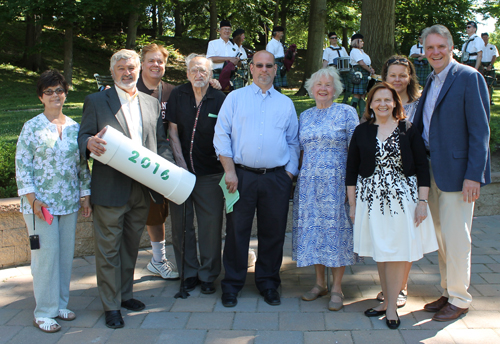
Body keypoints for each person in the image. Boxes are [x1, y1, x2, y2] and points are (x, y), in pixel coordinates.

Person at [78, 49, 175, 329]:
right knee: (108, 250)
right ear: (112, 72)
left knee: (131, 246)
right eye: (121, 68)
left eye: (131, 67)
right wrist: (87, 143)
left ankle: (126, 294)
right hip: (109, 188)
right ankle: (110, 305)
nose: (127, 72)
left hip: (141, 190)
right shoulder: (96, 101)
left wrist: (168, 172)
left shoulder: (151, 103)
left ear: (138, 69)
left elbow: (160, 142)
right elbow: (83, 135)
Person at [413, 24, 491, 322]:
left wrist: (475, 175)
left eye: (440, 47)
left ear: (451, 47)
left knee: (457, 238)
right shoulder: (431, 80)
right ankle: (448, 290)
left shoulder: (469, 77)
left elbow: (480, 132)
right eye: (429, 47)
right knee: (442, 236)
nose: (435, 52)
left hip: (459, 174)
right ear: (424, 50)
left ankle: (460, 298)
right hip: (431, 170)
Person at [346, 82, 438, 330]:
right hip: (371, 198)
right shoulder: (361, 131)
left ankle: (390, 307)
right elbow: (351, 169)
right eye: (378, 100)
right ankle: (387, 299)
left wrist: (422, 202)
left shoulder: (408, 129)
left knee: (398, 251)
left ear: (396, 103)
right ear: (370, 103)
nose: (383, 104)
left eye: (388, 100)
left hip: (403, 198)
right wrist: (352, 204)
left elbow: (421, 167)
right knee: (382, 251)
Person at [214, 50, 299, 307]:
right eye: (259, 65)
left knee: (273, 233)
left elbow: (293, 142)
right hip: (240, 176)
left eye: (269, 66)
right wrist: (229, 171)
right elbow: (221, 136)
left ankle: (269, 282)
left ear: (276, 69)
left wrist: (289, 173)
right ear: (251, 68)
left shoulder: (285, 104)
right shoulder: (235, 99)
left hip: (276, 178)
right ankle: (232, 284)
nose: (264, 70)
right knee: (237, 232)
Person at [16, 70, 92, 333]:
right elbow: (22, 166)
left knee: (63, 256)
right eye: (49, 91)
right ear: (41, 97)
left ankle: (60, 304)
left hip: (69, 202)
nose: (55, 95)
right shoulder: (31, 127)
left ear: (65, 93)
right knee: (45, 258)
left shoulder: (74, 128)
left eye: (59, 90)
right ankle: (44, 312)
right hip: (40, 206)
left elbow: (82, 166)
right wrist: (33, 199)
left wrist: (85, 195)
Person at [292, 67, 360, 311]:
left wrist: (352, 187)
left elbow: (356, 151)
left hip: (337, 182)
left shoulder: (346, 112)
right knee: (314, 232)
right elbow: (299, 151)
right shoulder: (305, 116)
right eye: (318, 84)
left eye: (328, 85)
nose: (322, 88)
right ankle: (319, 283)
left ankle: (337, 288)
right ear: (311, 89)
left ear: (336, 90)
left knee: (336, 233)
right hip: (309, 183)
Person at [166, 54, 226, 294]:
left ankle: (209, 275)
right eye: (194, 70)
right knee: (181, 226)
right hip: (180, 173)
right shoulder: (178, 95)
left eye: (203, 71)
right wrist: (181, 166)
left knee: (210, 226)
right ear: (187, 73)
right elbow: (172, 131)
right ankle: (188, 273)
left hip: (210, 174)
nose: (198, 75)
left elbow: (226, 136)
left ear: (210, 74)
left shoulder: (219, 98)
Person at [369, 56, 422, 308]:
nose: (398, 79)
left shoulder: (419, 104)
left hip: (413, 177)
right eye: (393, 75)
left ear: (409, 77)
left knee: (407, 233)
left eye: (403, 74)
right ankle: (389, 286)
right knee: (387, 234)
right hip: (382, 184)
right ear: (385, 77)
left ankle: (401, 286)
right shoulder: (381, 101)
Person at [137, 43, 179, 280]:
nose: (156, 65)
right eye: (151, 60)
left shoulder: (172, 92)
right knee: (144, 212)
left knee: (159, 211)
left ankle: (157, 260)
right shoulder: (131, 90)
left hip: (167, 160)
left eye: (160, 61)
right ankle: (157, 260)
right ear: (142, 63)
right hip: (137, 160)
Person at [349, 33, 375, 115]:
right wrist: (369, 70)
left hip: (363, 72)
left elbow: (366, 63)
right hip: (358, 73)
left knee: (362, 95)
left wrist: (370, 69)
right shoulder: (355, 51)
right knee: (357, 95)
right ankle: (351, 113)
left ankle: (362, 114)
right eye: (361, 41)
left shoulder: (361, 52)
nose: (363, 42)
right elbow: (361, 63)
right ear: (356, 42)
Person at [322, 32, 351, 104]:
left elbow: (347, 59)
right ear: (329, 39)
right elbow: (326, 61)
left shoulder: (342, 48)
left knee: (347, 85)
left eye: (335, 38)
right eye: (332, 38)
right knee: (333, 86)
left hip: (344, 69)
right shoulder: (327, 50)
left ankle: (345, 101)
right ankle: (330, 101)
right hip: (333, 68)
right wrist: (322, 71)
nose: (334, 39)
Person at [266, 26, 288, 91]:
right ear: (277, 33)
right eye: (281, 33)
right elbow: (270, 57)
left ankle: (278, 97)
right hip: (275, 64)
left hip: (280, 64)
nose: (282, 34)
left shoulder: (280, 43)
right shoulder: (271, 44)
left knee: (279, 85)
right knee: (275, 85)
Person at [480, 32, 498, 105]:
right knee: (481, 83)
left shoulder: (492, 46)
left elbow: (495, 56)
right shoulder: (479, 47)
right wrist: (481, 66)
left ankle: (490, 100)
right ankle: (481, 100)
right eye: (484, 37)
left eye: (486, 37)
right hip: (481, 64)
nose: (485, 39)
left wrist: (490, 65)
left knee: (490, 84)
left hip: (490, 64)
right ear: (481, 38)